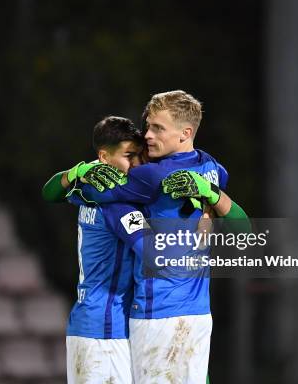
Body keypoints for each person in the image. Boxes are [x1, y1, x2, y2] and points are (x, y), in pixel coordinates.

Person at [58, 90, 249, 383]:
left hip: (157, 313)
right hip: (197, 313)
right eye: (148, 126)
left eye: (157, 128)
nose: (148, 135)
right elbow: (244, 230)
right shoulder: (210, 167)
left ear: (185, 133)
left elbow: (87, 192)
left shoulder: (150, 177)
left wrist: (78, 178)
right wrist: (210, 199)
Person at [42, 116, 145, 384]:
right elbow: (156, 253)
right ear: (104, 156)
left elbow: (50, 192)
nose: (136, 164)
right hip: (105, 331)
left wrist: (77, 172)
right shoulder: (116, 205)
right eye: (129, 156)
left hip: (87, 324)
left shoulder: (87, 191)